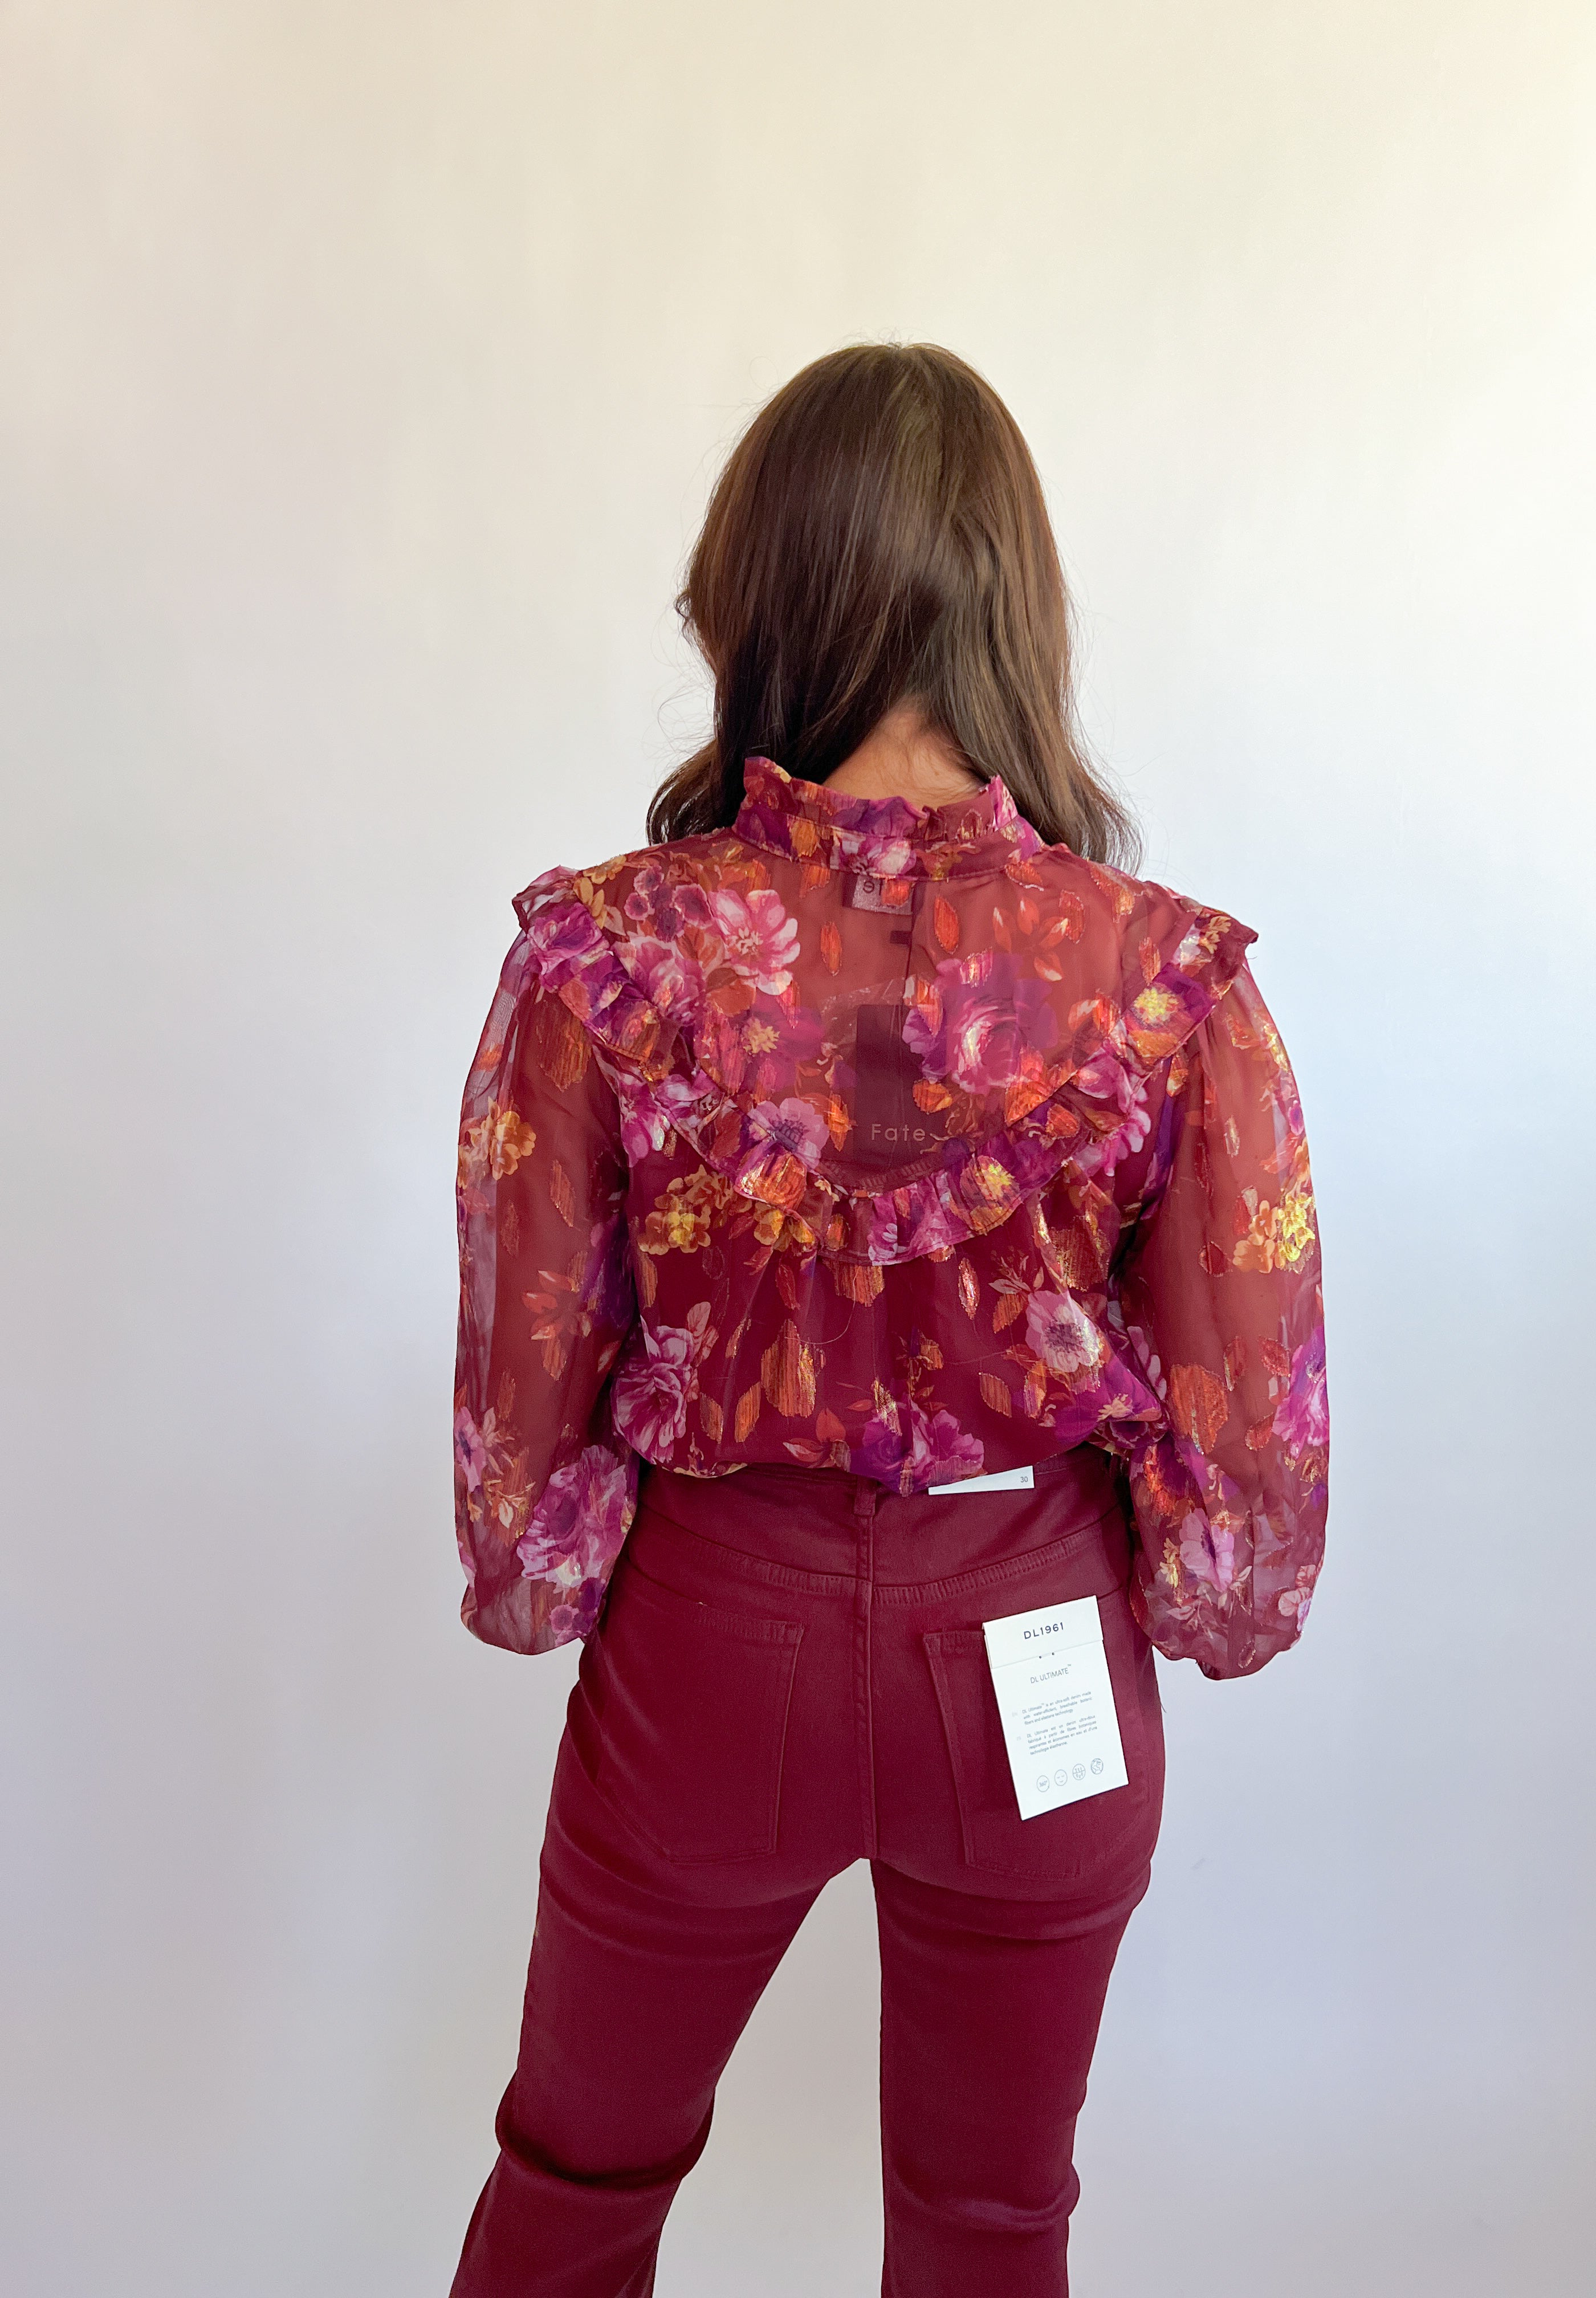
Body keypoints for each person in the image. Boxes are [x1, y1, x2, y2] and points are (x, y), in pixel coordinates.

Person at [447, 343, 1328, 2297]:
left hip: (714, 1639)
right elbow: (1251, 1398)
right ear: (1016, 601)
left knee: (578, 2179)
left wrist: (538, 1572)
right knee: (992, 2224)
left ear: (754, 590)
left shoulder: (606, 952)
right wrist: (1213, 1593)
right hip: (1036, 1636)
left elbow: (529, 1361)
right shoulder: (1167, 978)